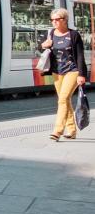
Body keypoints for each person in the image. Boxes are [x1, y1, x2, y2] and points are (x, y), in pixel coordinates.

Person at [40, 8, 88, 141]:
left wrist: (81, 74)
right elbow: (40, 47)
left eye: (57, 19)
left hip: (73, 71)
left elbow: (79, 56)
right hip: (57, 71)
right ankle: (72, 130)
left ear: (64, 20)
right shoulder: (50, 33)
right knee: (65, 100)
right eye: (52, 20)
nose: (54, 22)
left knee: (62, 99)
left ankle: (58, 130)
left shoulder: (73, 35)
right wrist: (44, 45)